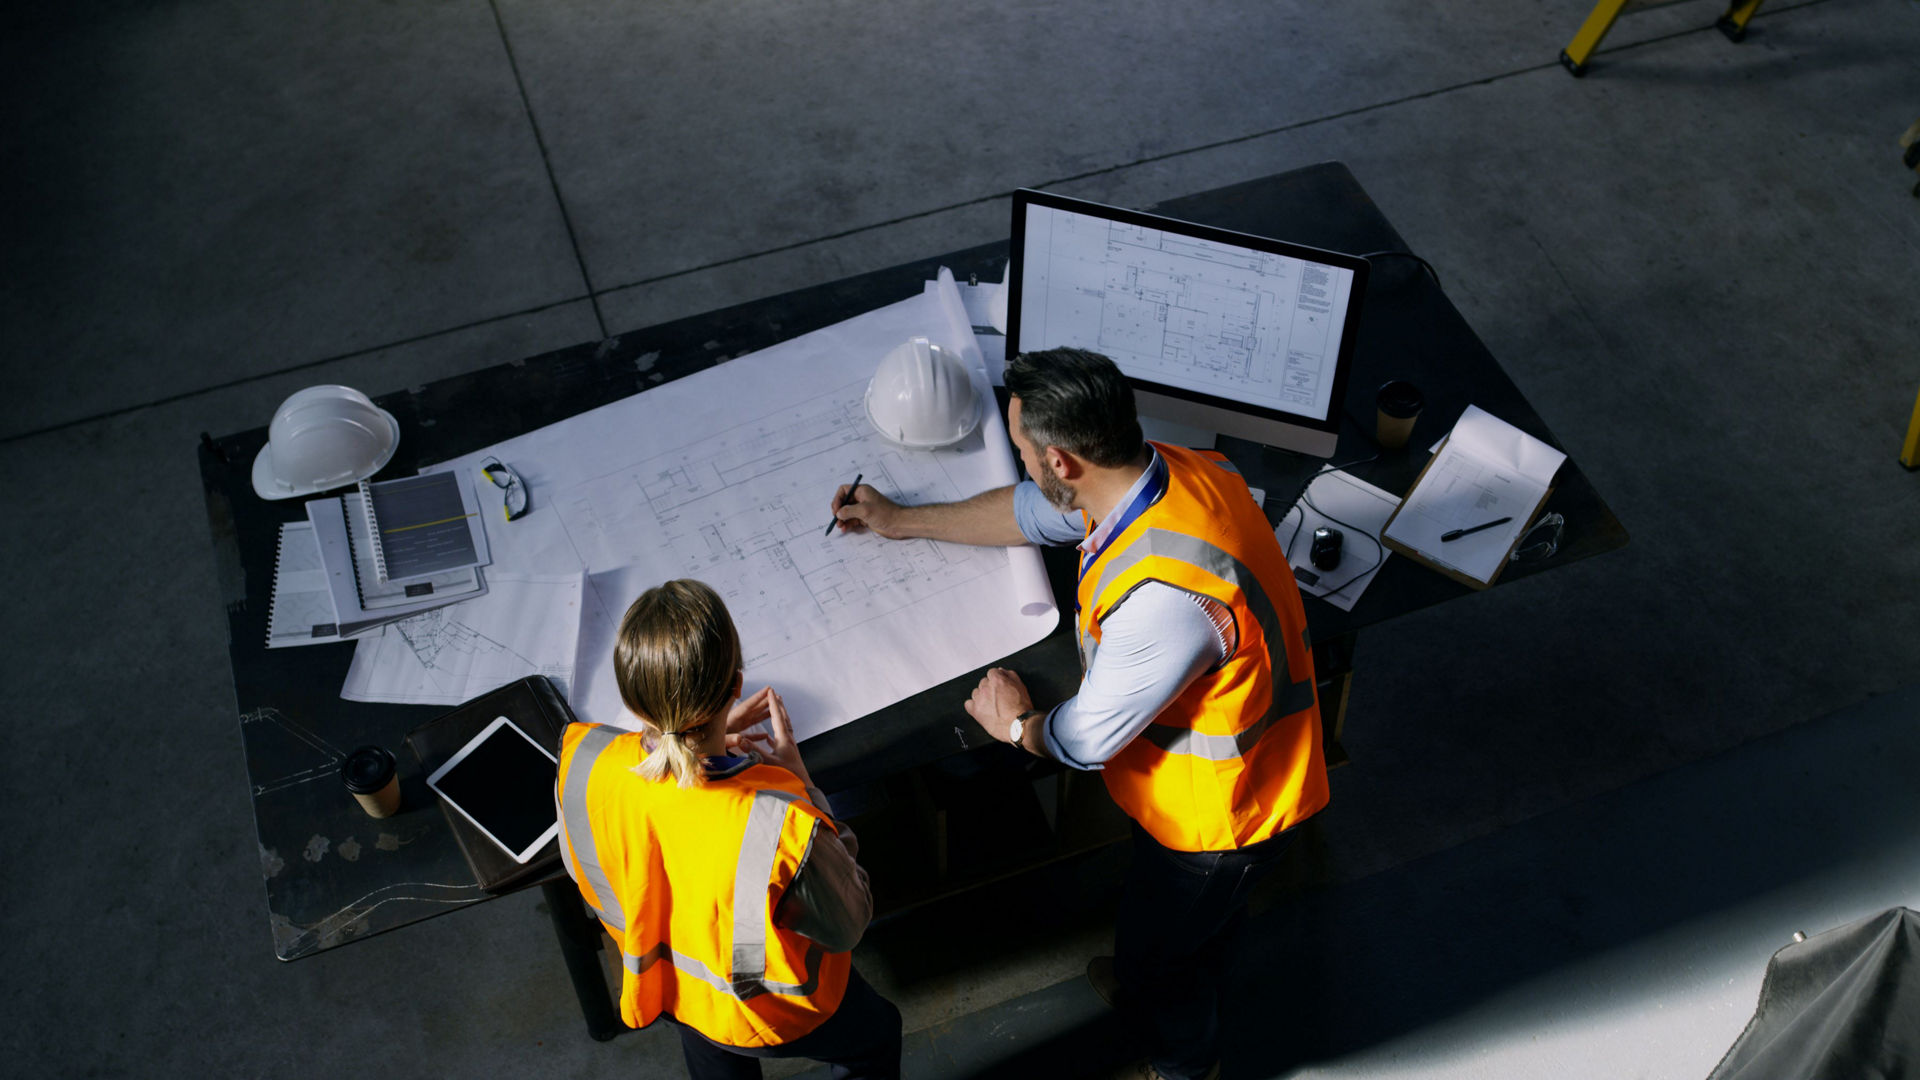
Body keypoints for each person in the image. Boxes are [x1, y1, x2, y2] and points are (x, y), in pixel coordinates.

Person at [832, 347, 1329, 1080]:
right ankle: (1184, 975)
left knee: (1161, 956)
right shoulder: (1171, 471)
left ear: (1063, 460)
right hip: (1249, 778)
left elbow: (1085, 739)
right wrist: (901, 521)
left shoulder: (1169, 599)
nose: (1022, 464)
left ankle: (1186, 1063)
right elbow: (1034, 513)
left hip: (1224, 820)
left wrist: (1013, 723)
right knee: (1197, 933)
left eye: (1025, 451)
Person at [554, 579, 901, 1080]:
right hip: (772, 1016)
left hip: (674, 993)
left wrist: (702, 740)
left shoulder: (586, 761)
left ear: (633, 701)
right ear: (735, 685)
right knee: (875, 1039)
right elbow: (850, 922)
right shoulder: (780, 826)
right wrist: (801, 782)